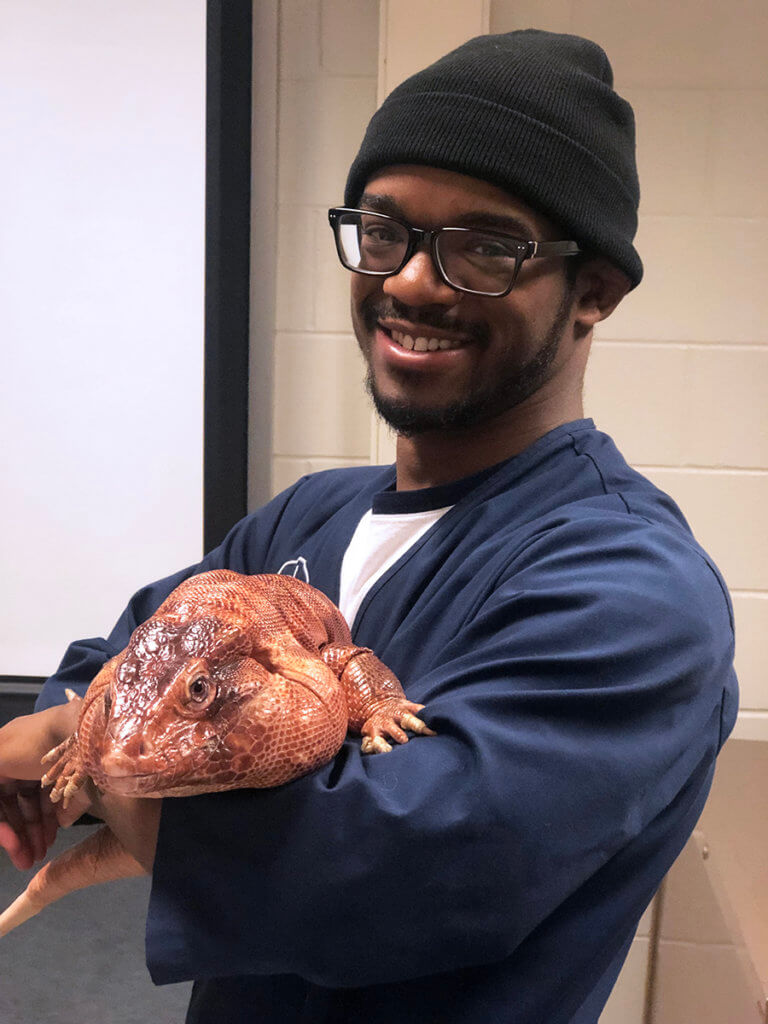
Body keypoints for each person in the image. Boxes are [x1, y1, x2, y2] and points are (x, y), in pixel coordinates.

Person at [0, 29, 737, 1024]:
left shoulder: (632, 586)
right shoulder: (311, 514)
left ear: (592, 291)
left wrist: (72, 747)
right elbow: (123, 650)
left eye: (485, 247)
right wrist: (75, 743)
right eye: (384, 232)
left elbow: (375, 865)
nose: (411, 283)